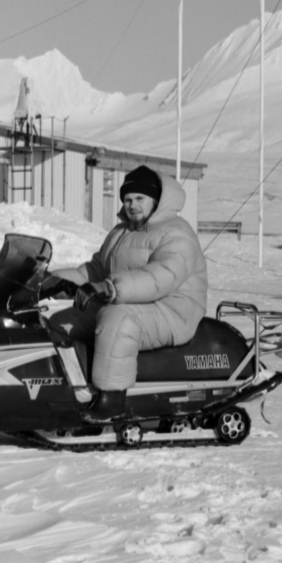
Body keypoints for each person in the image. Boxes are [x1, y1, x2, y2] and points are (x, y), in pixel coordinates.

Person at [47, 164, 207, 422]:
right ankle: (71, 385)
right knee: (61, 321)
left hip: (173, 309)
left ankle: (112, 400)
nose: (132, 205)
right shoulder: (121, 232)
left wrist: (109, 288)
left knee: (117, 320)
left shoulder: (177, 232)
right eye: (128, 199)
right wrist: (53, 281)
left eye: (139, 198)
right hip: (127, 301)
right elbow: (95, 269)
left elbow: (160, 277)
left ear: (156, 200)